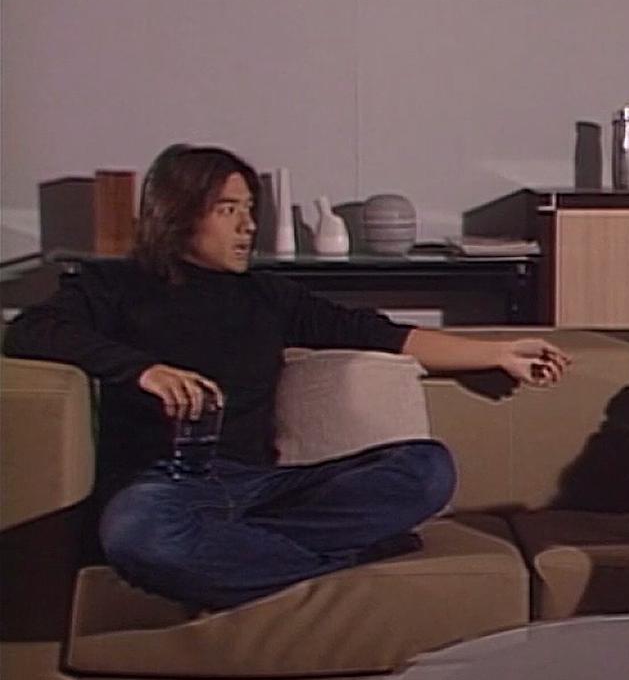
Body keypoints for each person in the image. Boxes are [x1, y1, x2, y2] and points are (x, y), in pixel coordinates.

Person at [2, 143, 571, 611]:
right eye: (229, 210)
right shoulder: (114, 287)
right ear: (177, 213)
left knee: (427, 469)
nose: (248, 225)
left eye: (250, 209)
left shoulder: (268, 296)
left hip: (263, 490)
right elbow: (30, 330)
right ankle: (343, 556)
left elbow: (378, 333)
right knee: (136, 536)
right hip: (163, 488)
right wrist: (142, 370)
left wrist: (499, 353)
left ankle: (249, 557)